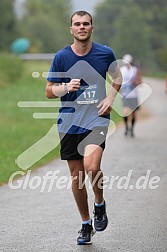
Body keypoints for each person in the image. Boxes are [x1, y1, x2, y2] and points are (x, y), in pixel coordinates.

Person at [45, 10, 121, 245]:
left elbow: (117, 77)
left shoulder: (104, 53)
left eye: (85, 24)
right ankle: (86, 224)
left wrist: (110, 99)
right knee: (77, 178)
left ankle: (99, 203)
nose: (81, 27)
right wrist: (65, 87)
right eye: (77, 24)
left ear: (92, 27)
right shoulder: (61, 57)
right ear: (71, 29)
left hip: (96, 119)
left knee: (92, 165)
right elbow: (49, 91)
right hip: (69, 122)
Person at [120, 54, 142, 137]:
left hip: (133, 95)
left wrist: (135, 82)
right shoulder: (121, 70)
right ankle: (126, 128)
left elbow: (140, 82)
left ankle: (132, 129)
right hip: (124, 95)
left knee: (133, 114)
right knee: (125, 112)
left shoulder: (135, 70)